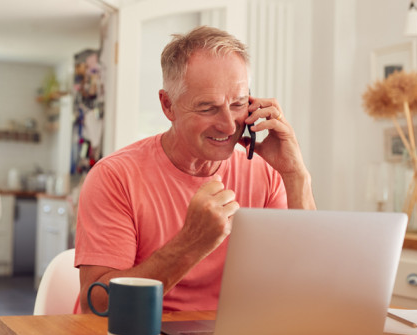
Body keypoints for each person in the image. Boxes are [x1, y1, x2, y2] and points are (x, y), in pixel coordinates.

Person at [74, 26, 316, 313]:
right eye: (207, 108)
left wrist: (295, 175)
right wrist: (190, 244)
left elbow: (309, 283)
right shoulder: (114, 177)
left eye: (238, 104)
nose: (228, 126)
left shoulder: (265, 171)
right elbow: (98, 306)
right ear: (168, 105)